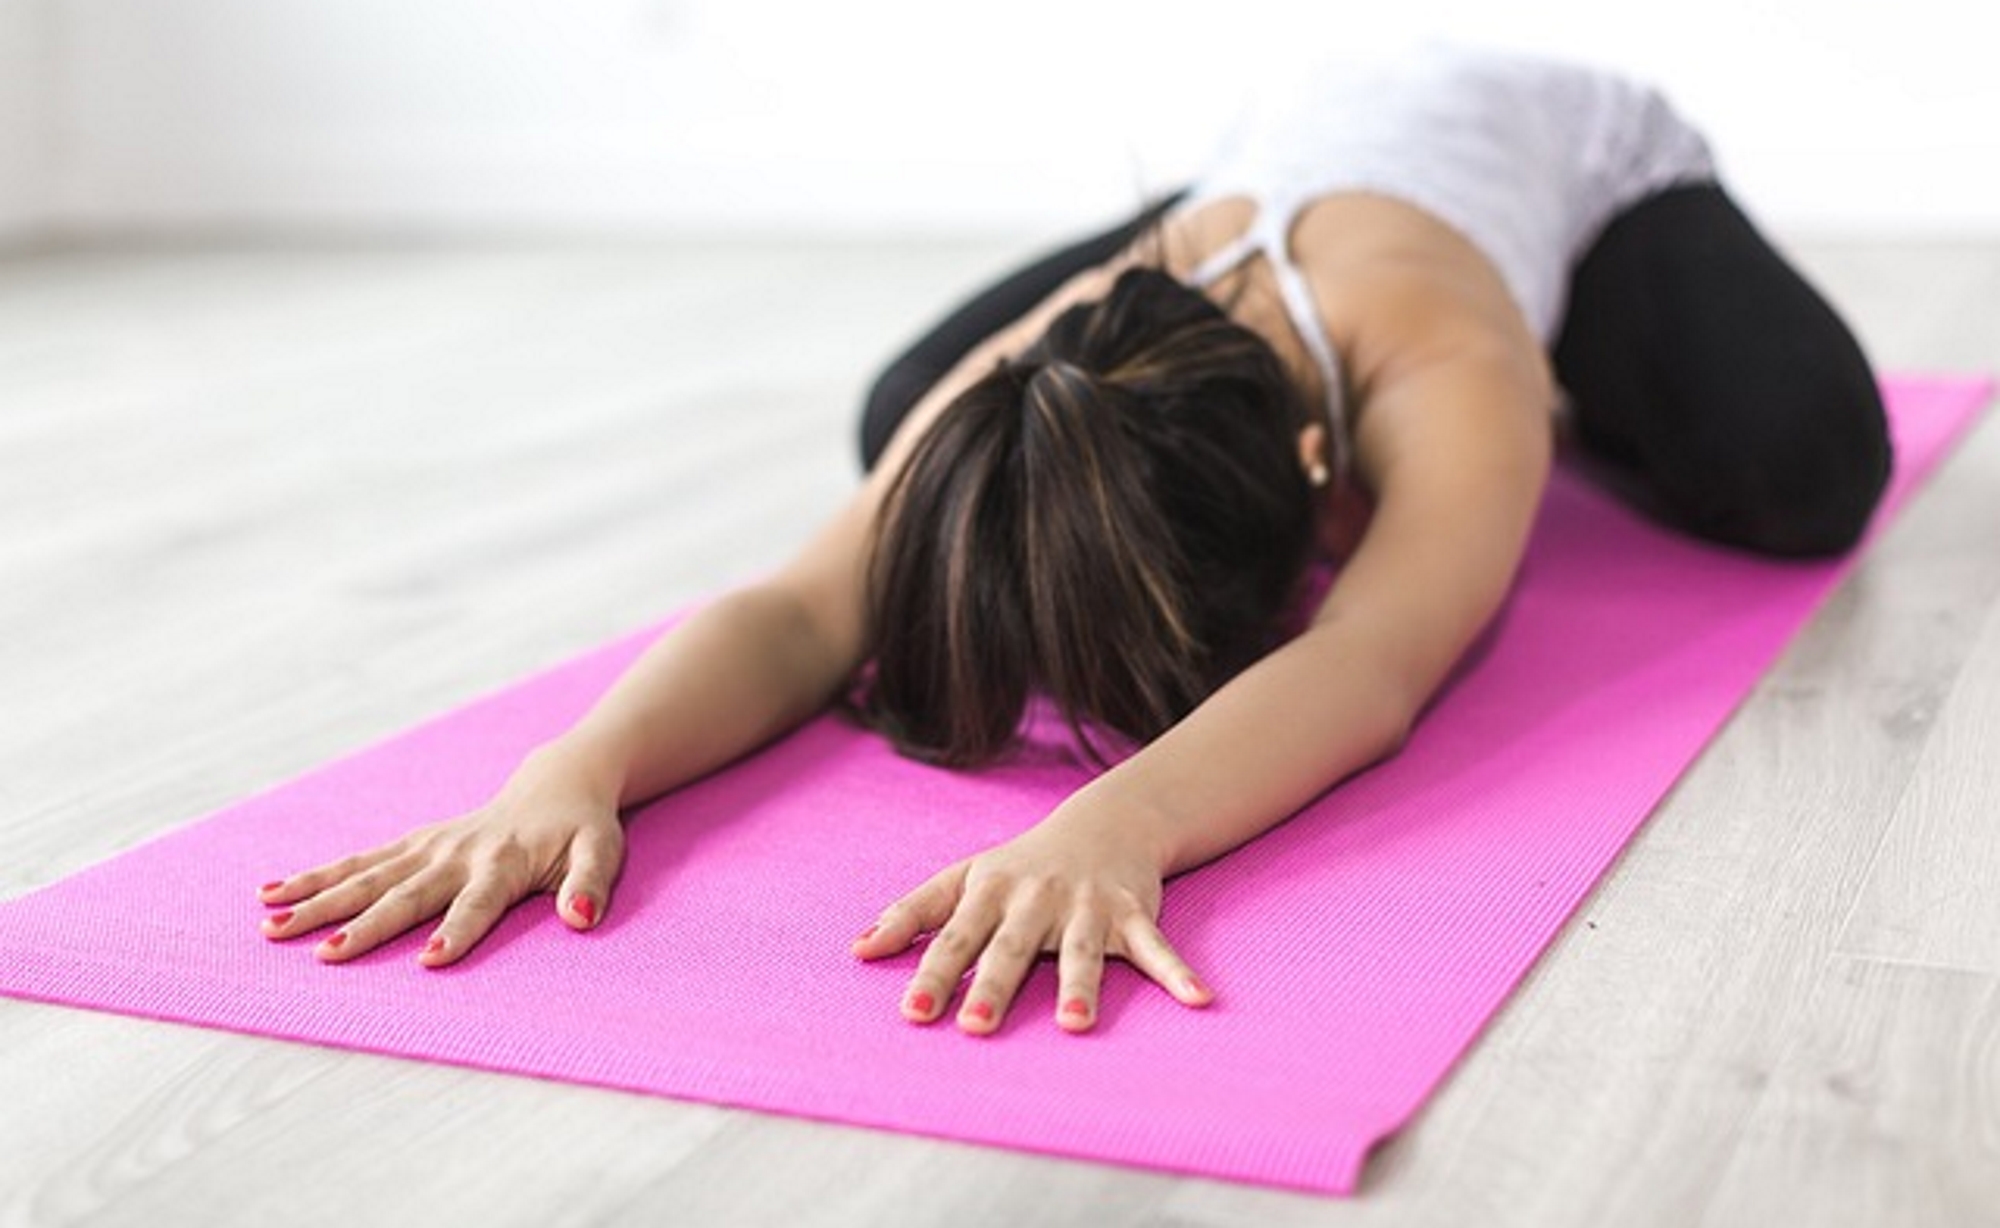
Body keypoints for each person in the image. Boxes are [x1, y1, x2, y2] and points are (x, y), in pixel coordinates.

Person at [254, 44, 1891, 1035]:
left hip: (1572, 169)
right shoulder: (1055, 352)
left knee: (1811, 470)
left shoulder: (1447, 370)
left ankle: (1602, 381)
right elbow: (799, 610)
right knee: (916, 419)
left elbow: (1377, 660)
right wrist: (571, 770)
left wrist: (1117, 824)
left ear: (1333, 484)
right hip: (1264, 173)